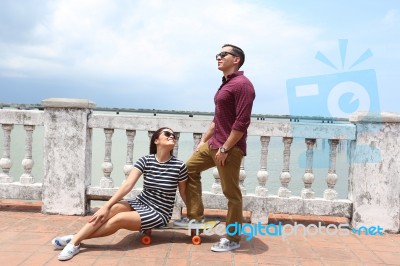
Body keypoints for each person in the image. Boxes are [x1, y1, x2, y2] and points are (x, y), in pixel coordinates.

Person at [51, 127, 188, 261]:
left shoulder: (179, 166)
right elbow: (127, 185)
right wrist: (106, 206)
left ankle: (74, 240)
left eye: (174, 135)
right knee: (113, 208)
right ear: (156, 140)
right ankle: (75, 240)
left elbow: (183, 192)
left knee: (119, 219)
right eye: (167, 133)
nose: (172, 136)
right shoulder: (145, 160)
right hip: (141, 202)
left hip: (159, 211)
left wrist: (192, 212)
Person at [174, 44, 255, 252]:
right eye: (217, 54)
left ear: (236, 59)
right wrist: (203, 141)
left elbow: (242, 122)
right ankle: (196, 217)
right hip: (213, 144)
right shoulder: (226, 84)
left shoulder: (243, 85)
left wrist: (226, 148)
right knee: (187, 169)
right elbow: (218, 119)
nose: (218, 57)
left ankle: (233, 238)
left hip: (229, 148)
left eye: (223, 54)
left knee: (232, 193)